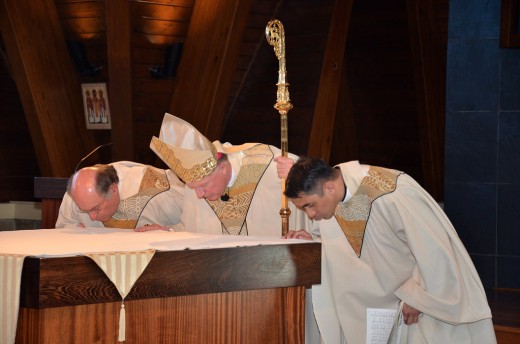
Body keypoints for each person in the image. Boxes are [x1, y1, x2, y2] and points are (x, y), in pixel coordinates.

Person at [284, 157, 496, 344]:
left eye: (310, 205)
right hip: (367, 307)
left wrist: (420, 295)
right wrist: (314, 240)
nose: (310, 215)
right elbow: (355, 242)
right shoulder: (332, 201)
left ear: (329, 187)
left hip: (408, 305)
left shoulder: (391, 190)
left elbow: (433, 246)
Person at [147, 113, 313, 237]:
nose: (198, 195)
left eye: (203, 186)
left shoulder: (271, 165)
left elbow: (320, 198)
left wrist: (298, 179)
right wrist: (166, 231)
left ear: (223, 168)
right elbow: (191, 229)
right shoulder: (195, 186)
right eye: (193, 188)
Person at [56, 161, 184, 231]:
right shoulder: (75, 195)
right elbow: (64, 229)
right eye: (84, 210)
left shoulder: (160, 192)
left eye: (96, 208)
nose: (92, 217)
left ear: (113, 189)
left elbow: (198, 223)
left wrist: (169, 230)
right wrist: (74, 231)